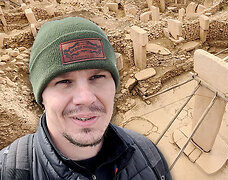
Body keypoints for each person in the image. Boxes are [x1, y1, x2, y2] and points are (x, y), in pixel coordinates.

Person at [0, 17, 171, 180]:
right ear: (41, 97)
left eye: (97, 77)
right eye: (64, 81)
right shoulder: (7, 171)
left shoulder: (149, 155)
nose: (86, 98)